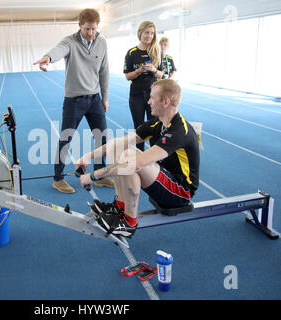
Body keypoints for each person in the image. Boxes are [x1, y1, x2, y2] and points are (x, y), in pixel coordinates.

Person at [76, 79, 200, 238]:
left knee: (131, 159)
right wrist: (87, 156)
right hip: (163, 179)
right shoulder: (158, 123)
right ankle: (120, 207)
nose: (148, 101)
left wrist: (93, 176)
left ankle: (129, 223)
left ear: (166, 101)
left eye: (152, 97)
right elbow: (118, 143)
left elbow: (137, 163)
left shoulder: (179, 130)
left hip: (181, 193)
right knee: (119, 148)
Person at [33, 8, 113, 193]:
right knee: (66, 138)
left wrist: (105, 98)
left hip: (95, 99)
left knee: (102, 137)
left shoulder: (101, 43)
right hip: (74, 100)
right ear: (79, 26)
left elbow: (104, 71)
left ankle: (100, 175)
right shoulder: (70, 41)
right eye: (87, 29)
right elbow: (59, 50)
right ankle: (58, 179)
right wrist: (48, 58)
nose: (91, 33)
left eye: (94, 29)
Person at [124, 21, 164, 152]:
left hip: (154, 96)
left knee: (155, 127)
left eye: (152, 33)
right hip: (136, 95)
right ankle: (139, 157)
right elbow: (127, 76)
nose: (149, 36)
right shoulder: (131, 53)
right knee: (139, 128)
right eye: (147, 32)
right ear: (140, 33)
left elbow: (161, 74)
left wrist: (153, 69)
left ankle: (155, 161)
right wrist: (138, 71)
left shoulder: (157, 52)